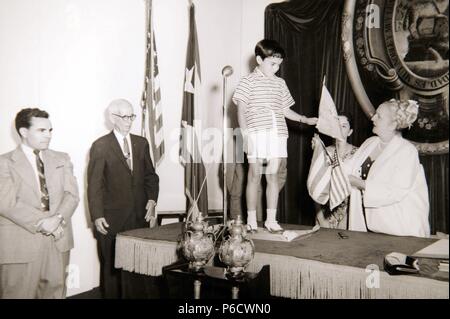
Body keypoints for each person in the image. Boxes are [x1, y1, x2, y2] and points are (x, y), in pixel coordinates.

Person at [232, 39, 317, 233]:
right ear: (259, 59)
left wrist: (305, 119)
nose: (276, 68)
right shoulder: (248, 81)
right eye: (272, 64)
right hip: (256, 133)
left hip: (277, 134)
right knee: (254, 176)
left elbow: (286, 110)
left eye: (279, 65)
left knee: (273, 177)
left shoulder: (280, 83)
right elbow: (241, 110)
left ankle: (271, 220)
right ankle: (251, 221)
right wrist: (246, 136)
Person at [0, 108, 79, 298]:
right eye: (41, 130)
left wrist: (57, 218)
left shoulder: (62, 158)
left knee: (56, 294)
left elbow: (72, 194)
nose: (48, 136)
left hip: (58, 241)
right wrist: (46, 222)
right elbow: (7, 203)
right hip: (20, 243)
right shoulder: (4, 162)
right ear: (23, 132)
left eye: (50, 130)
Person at [87, 99, 159, 298]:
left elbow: (151, 177)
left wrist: (152, 201)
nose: (129, 121)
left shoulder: (141, 143)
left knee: (138, 270)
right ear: (112, 118)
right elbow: (94, 185)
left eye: (132, 116)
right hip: (111, 220)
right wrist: (97, 215)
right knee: (112, 272)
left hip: (138, 218)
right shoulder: (100, 146)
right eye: (124, 116)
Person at [347, 99, 430, 237]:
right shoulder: (370, 143)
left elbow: (396, 191)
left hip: (402, 230)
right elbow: (348, 167)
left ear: (393, 125)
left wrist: (360, 184)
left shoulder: (406, 151)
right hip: (372, 228)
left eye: (379, 116)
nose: (373, 118)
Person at [314, 114, 358, 229]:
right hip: (325, 214)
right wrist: (321, 219)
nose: (339, 129)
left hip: (350, 216)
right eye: (336, 125)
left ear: (350, 131)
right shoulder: (325, 152)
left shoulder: (358, 154)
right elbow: (316, 189)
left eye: (343, 126)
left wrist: (347, 219)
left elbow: (358, 190)